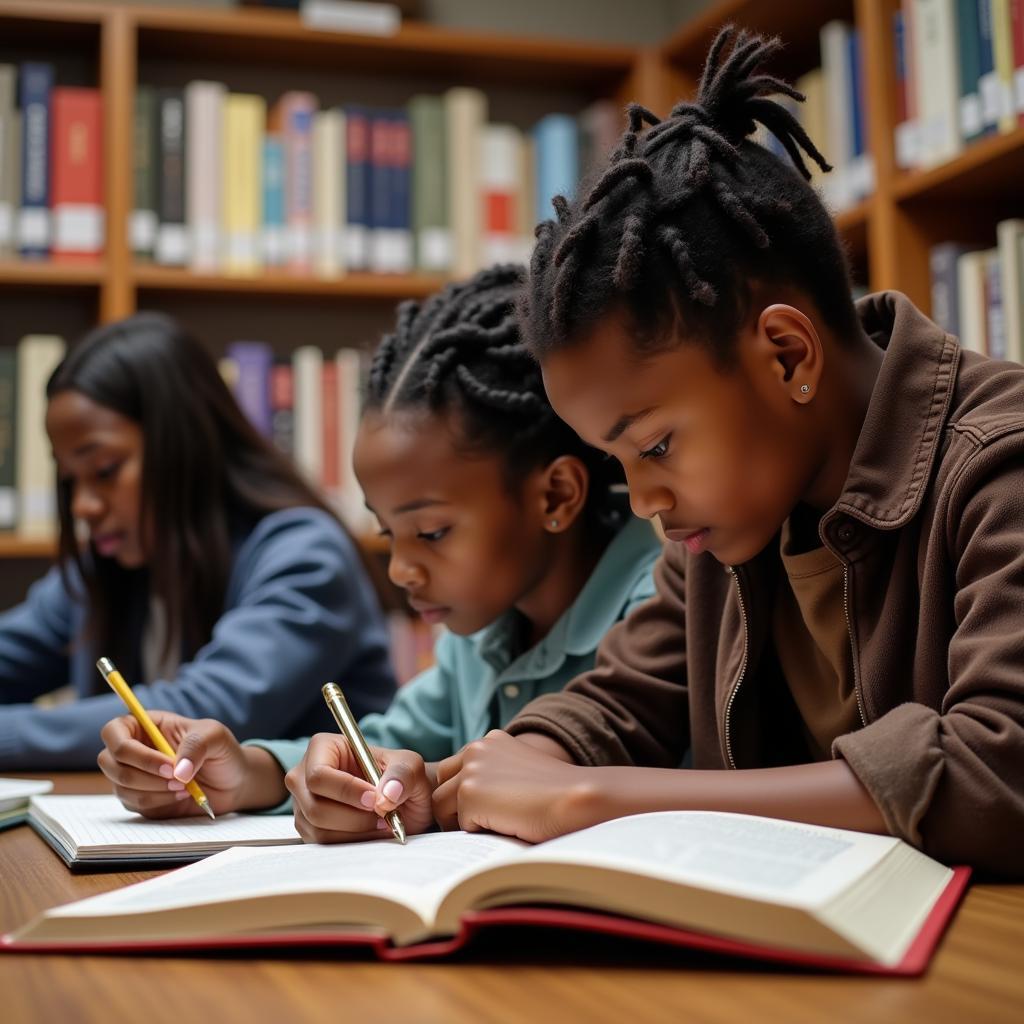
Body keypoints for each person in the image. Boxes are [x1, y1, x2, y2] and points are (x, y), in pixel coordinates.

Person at [420, 28, 1024, 876]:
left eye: (656, 445)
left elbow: (998, 768)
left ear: (787, 355)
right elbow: (619, 703)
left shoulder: (1000, 462)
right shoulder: (728, 519)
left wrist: (603, 801)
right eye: (619, 462)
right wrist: (460, 780)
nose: (643, 500)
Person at [97, 265, 661, 839]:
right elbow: (391, 744)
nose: (400, 570)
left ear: (556, 495)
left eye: (432, 532)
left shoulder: (661, 603)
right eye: (388, 534)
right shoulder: (482, 635)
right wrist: (244, 772)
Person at [0, 312, 395, 769]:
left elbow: (203, 710)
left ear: (183, 446)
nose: (83, 506)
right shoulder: (106, 569)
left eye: (105, 470)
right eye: (70, 480)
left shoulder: (305, 554)